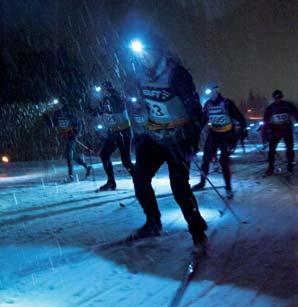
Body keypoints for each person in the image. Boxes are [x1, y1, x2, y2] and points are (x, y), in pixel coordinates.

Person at [129, 35, 207, 248]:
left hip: (178, 139)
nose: (143, 58)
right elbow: (145, 107)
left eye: (147, 52)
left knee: (179, 187)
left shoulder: (177, 74)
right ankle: (153, 222)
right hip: (154, 138)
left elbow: (199, 115)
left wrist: (187, 138)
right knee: (140, 179)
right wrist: (140, 133)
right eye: (139, 54)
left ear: (159, 51)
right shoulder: (141, 76)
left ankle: (197, 229)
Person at [192, 83, 247, 198]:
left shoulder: (227, 103)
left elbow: (239, 117)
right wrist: (196, 132)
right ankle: (202, 182)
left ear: (216, 91)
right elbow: (204, 120)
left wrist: (243, 129)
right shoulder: (207, 104)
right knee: (205, 159)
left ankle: (228, 187)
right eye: (208, 92)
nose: (210, 94)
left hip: (226, 135)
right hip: (213, 134)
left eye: (212, 92)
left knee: (224, 162)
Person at [95, 81, 134, 191]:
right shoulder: (105, 101)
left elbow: (116, 105)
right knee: (104, 155)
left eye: (104, 90)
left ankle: (139, 180)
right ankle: (111, 182)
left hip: (123, 132)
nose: (103, 92)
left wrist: (106, 101)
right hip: (113, 133)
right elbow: (96, 112)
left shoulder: (116, 97)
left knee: (126, 161)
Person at [46, 100, 92, 182]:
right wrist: (47, 120)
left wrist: (75, 134)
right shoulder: (58, 114)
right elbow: (53, 124)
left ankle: (71, 176)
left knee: (69, 155)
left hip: (72, 137)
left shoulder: (70, 114)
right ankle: (86, 167)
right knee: (74, 156)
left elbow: (78, 124)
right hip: (67, 137)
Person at [262, 90, 298, 176]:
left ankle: (290, 168)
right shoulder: (271, 108)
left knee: (289, 149)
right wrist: (265, 134)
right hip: (276, 132)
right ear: (274, 98)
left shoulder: (287, 105)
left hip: (287, 130)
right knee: (271, 150)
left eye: (279, 97)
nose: (277, 99)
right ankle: (271, 168)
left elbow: (296, 114)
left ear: (281, 97)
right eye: (276, 98)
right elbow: (266, 122)